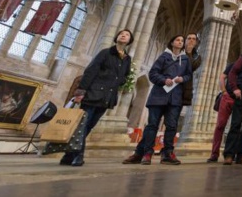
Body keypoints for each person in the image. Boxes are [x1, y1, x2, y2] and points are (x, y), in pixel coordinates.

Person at [63, 29, 133, 167]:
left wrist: (120, 82)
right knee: (82, 126)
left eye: (127, 35)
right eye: (121, 34)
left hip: (107, 96)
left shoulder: (127, 58)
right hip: (93, 94)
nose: (123, 35)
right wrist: (80, 92)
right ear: (116, 37)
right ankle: (78, 155)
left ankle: (68, 155)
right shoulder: (105, 52)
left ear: (130, 41)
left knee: (89, 126)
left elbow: (125, 75)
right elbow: (91, 70)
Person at [123, 34, 191, 165]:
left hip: (175, 97)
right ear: (172, 42)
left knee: (171, 126)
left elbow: (188, 75)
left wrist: (182, 79)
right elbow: (153, 73)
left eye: (182, 41)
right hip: (159, 95)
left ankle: (167, 154)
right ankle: (147, 152)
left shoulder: (185, 59)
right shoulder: (163, 56)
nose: (180, 42)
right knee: (152, 125)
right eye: (177, 40)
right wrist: (164, 80)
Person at [207, 61, 234, 163]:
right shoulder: (233, 65)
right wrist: (224, 91)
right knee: (220, 126)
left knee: (236, 127)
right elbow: (222, 77)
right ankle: (214, 154)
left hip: (240, 100)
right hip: (227, 98)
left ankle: (230, 154)